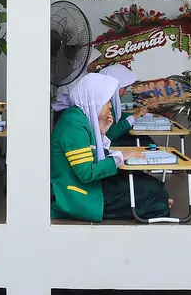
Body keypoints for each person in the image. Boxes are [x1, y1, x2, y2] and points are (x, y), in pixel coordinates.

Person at [51, 72, 171, 222]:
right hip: (77, 195)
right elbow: (87, 173)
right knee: (151, 190)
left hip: (88, 184)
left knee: (144, 180)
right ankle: (158, 203)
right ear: (95, 100)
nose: (110, 106)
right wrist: (119, 157)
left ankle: (158, 202)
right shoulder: (73, 124)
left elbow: (93, 156)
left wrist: (101, 133)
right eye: (106, 101)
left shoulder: (79, 117)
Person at [98, 64, 158, 147]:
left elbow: (117, 117)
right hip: (110, 144)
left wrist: (140, 114)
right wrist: (134, 116)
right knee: (146, 143)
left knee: (146, 140)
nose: (126, 92)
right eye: (124, 88)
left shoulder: (108, 99)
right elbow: (110, 134)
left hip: (113, 141)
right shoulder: (103, 103)